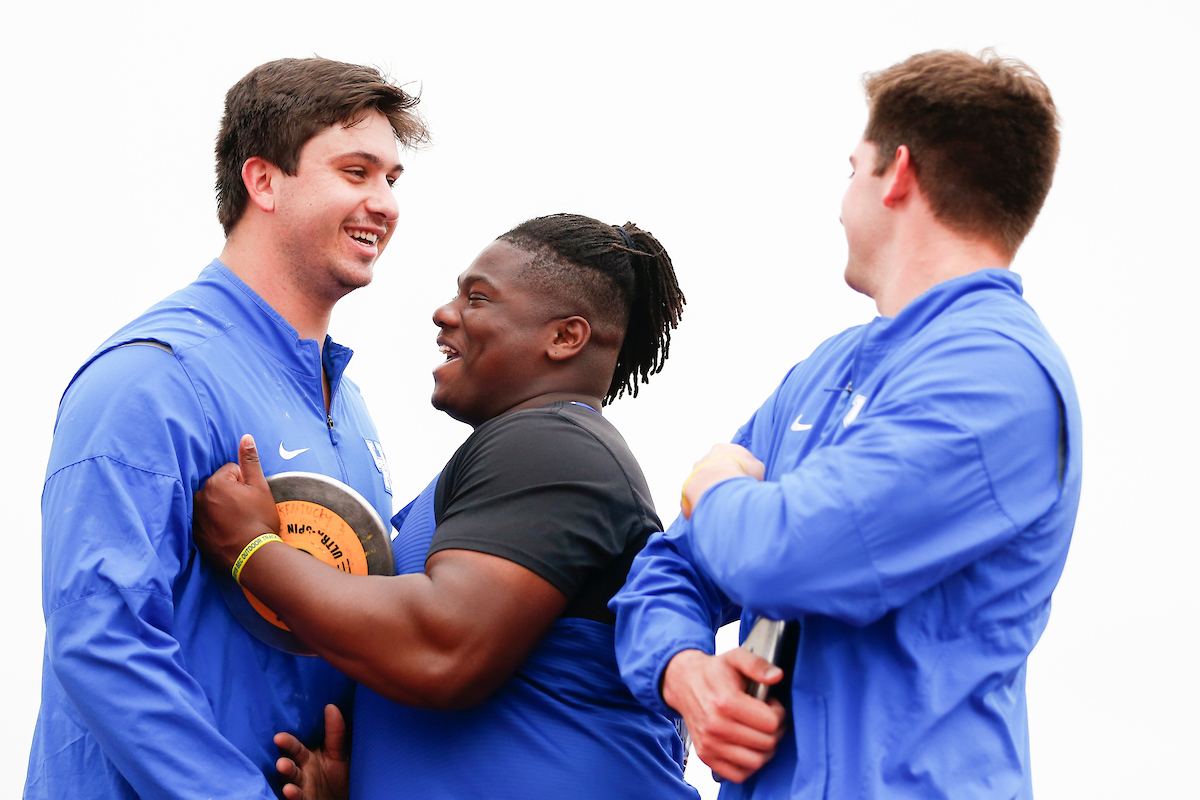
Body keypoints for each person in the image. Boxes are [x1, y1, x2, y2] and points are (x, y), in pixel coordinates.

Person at [611, 49, 1082, 799]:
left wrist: (715, 483)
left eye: (850, 168)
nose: (838, 203)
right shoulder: (827, 372)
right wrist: (686, 672)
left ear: (896, 174)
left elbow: (788, 553)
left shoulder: (997, 377)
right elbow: (673, 569)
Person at [25, 58, 426, 800]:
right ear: (263, 181)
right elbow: (101, 643)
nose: (383, 203)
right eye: (355, 171)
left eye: (392, 180)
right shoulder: (151, 377)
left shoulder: (352, 405)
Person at [193, 213, 697, 799]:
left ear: (565, 337)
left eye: (478, 297)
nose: (445, 312)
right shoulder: (502, 463)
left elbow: (442, 650)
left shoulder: (556, 447)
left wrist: (251, 550)